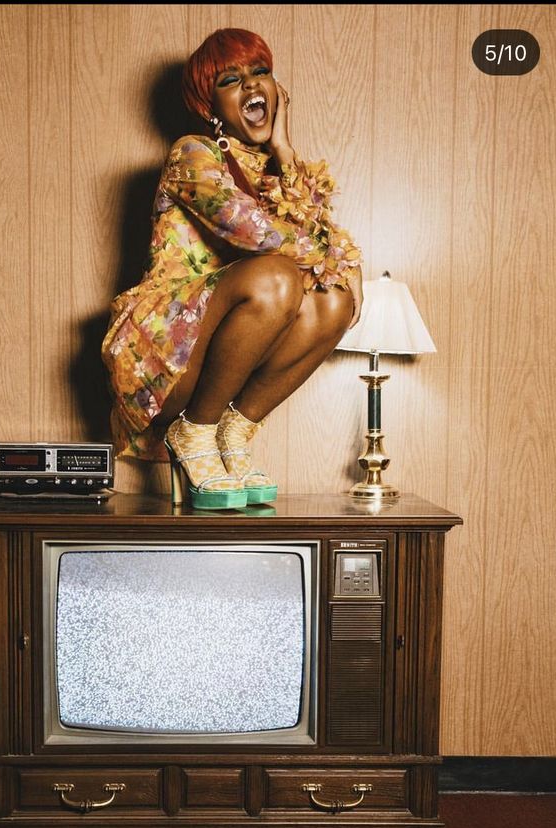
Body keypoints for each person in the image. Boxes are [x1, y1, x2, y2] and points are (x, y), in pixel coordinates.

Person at [101, 28, 363, 509]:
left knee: (334, 300)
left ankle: (230, 435)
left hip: (228, 342)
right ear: (209, 106)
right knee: (279, 274)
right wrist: (335, 258)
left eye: (259, 72)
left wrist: (283, 147)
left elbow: (318, 247)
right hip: (165, 341)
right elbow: (252, 232)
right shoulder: (191, 152)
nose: (251, 85)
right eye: (230, 79)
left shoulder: (276, 168)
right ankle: (194, 433)